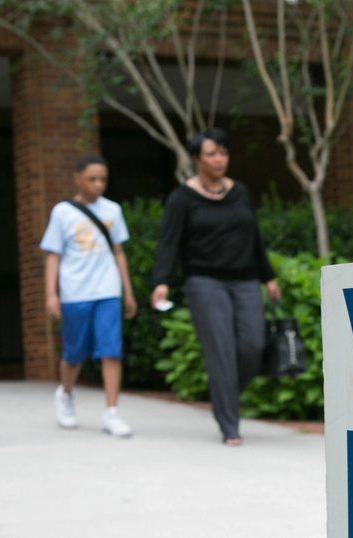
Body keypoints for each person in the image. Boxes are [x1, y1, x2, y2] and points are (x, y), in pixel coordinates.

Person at [151, 128, 281, 447]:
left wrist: (269, 276)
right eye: (211, 154)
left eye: (223, 152)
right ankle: (229, 426)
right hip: (204, 281)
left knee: (253, 345)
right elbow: (169, 243)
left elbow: (255, 238)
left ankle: (223, 395)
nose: (219, 159)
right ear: (196, 158)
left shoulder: (240, 192)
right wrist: (162, 282)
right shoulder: (182, 198)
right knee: (221, 351)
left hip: (246, 278)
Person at [41, 154, 138, 437]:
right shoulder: (62, 212)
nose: (98, 185)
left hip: (108, 291)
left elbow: (118, 252)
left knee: (111, 351)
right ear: (77, 178)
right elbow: (53, 256)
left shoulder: (113, 210)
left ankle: (111, 412)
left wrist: (127, 291)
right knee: (75, 352)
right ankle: (66, 394)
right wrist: (51, 294)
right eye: (92, 179)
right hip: (75, 292)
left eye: (103, 180)